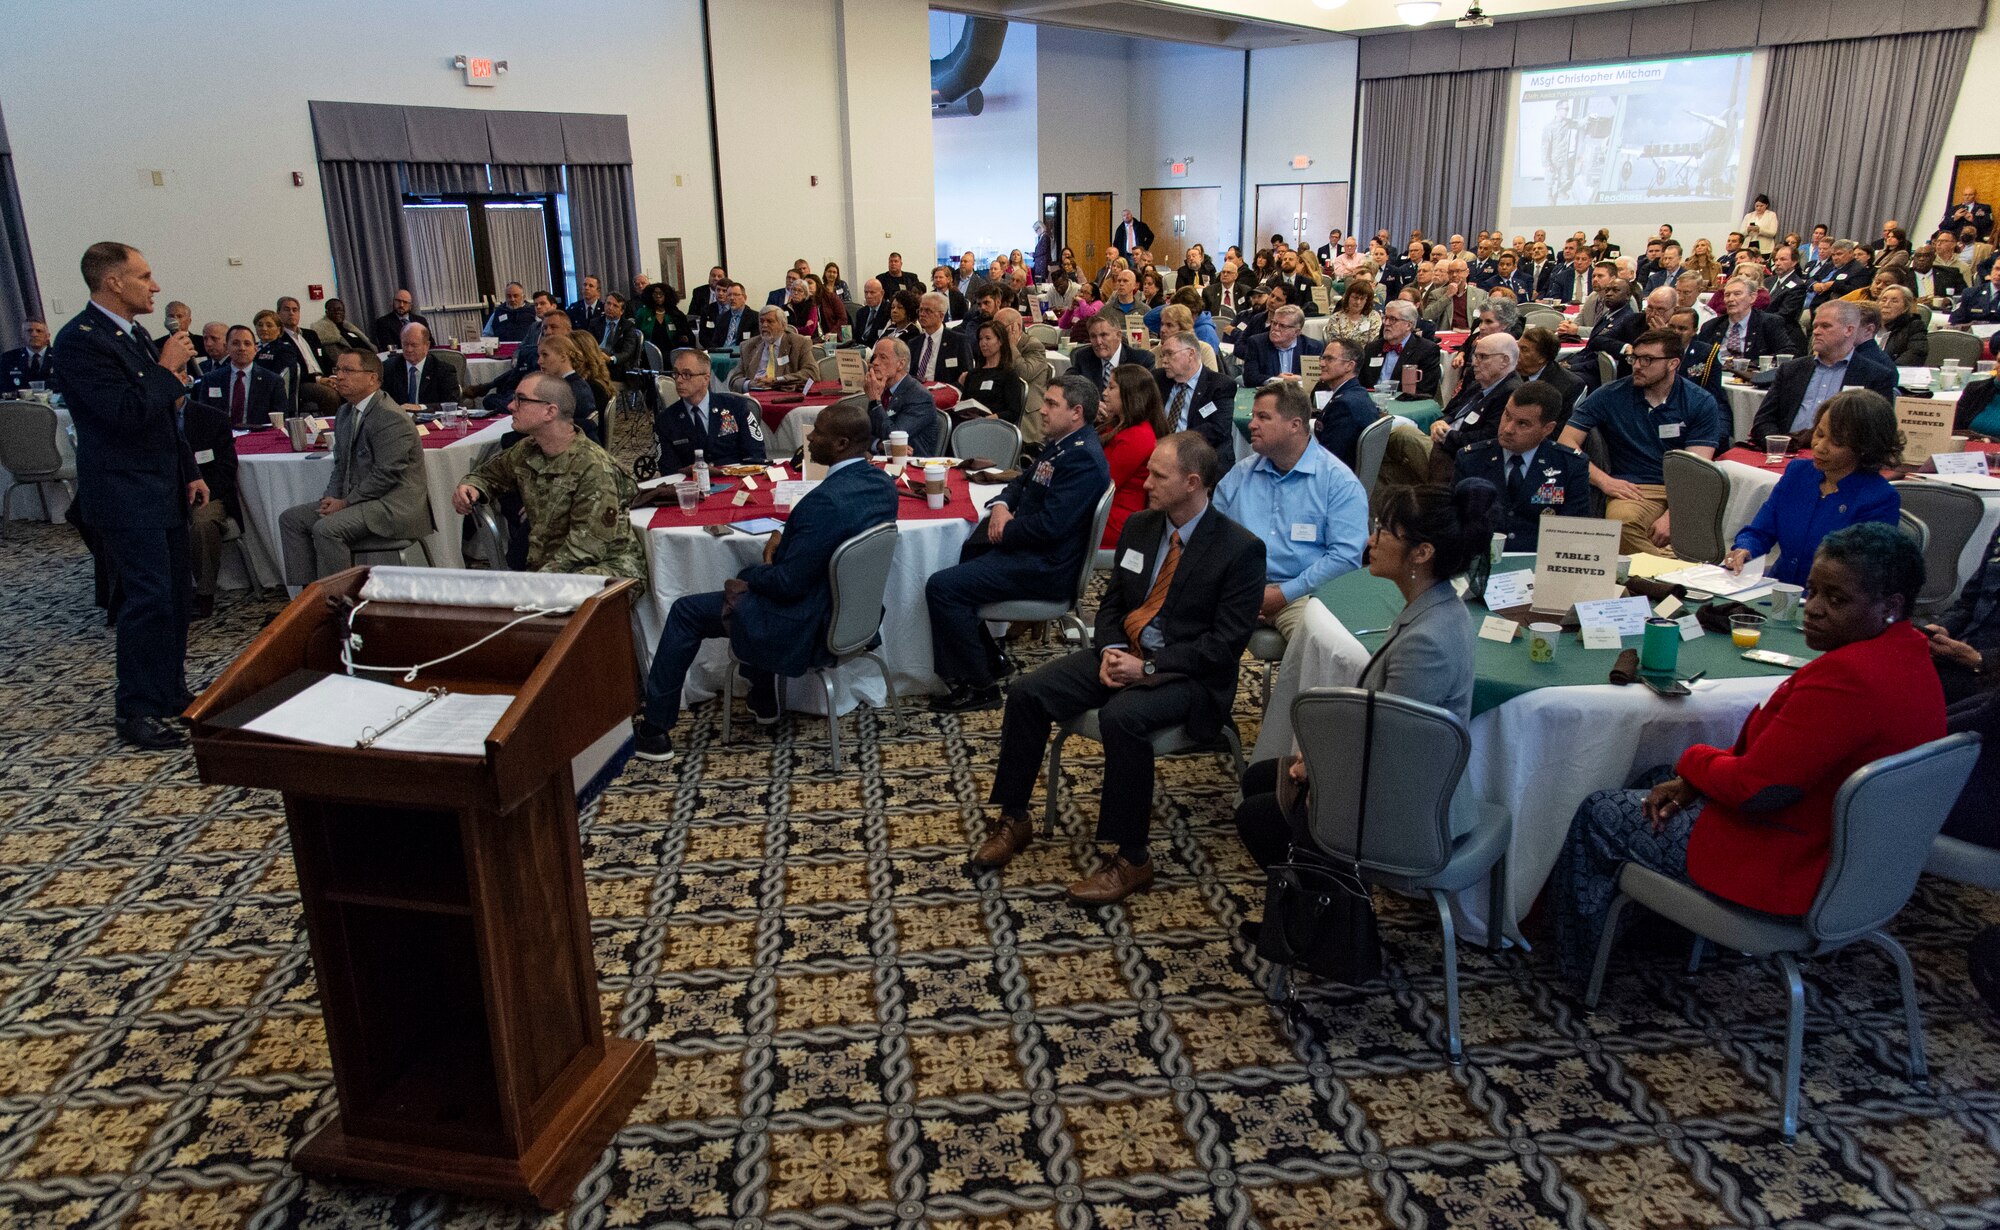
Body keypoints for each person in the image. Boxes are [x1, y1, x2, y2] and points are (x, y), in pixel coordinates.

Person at [1548, 523, 1944, 982]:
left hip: (1793, 869)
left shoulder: (1848, 680)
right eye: (1812, 592)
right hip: (1858, 864)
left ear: (1890, 607)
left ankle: (1572, 972)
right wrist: (1695, 778)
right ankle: (1668, 939)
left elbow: (1757, 791)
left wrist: (1692, 760)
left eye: (1836, 600)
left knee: (1601, 812)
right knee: (1655, 780)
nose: (1812, 609)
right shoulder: (1909, 655)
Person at [970, 431, 1263, 904]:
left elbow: (1223, 647)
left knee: (1122, 718)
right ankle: (1016, 817)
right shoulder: (1143, 528)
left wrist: (1147, 668)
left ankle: (1133, 859)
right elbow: (1111, 606)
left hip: (1189, 677)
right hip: (1123, 653)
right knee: (1026, 693)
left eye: (1157, 475)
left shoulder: (1239, 550)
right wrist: (1109, 652)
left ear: (1192, 483)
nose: (1145, 483)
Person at [1233, 481, 1496, 891]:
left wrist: (1319, 767)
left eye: (1385, 532)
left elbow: (1390, 748)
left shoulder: (1427, 641)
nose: (1370, 540)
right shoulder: (1437, 605)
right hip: (1398, 773)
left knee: (1257, 815)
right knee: (1261, 779)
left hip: (1410, 804)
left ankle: (1328, 924)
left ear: (1422, 553)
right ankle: (1311, 908)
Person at [634, 402, 896, 763]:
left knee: (691, 609)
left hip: (807, 625)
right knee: (750, 600)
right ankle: (763, 698)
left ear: (840, 443)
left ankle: (654, 731)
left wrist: (748, 574)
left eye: (818, 431)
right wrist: (786, 535)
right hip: (852, 617)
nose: (810, 437)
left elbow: (787, 584)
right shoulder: (881, 484)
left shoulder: (823, 501)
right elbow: (833, 538)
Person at [53, 243, 206, 747]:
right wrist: (164, 370)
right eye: (144, 276)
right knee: (147, 598)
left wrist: (188, 469)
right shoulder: (79, 341)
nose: (155, 286)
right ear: (113, 282)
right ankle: (135, 708)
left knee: (178, 596)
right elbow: (122, 414)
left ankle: (169, 690)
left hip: (162, 484)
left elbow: (165, 414)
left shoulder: (134, 333)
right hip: (123, 491)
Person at [926, 376, 1111, 712]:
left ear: (1077, 412)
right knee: (968, 553)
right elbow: (1019, 481)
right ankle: (991, 661)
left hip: (1048, 567)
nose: (1042, 410)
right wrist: (1000, 507)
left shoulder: (1081, 458)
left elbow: (1051, 527)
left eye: (1052, 404)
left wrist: (1004, 530)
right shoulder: (1063, 443)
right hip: (1035, 552)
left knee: (942, 586)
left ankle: (979, 687)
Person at [452, 371, 645, 579]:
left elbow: (586, 548)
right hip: (553, 567)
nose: (510, 405)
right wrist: (471, 487)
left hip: (604, 573)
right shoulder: (528, 450)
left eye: (521, 400)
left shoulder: (593, 467)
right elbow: (487, 474)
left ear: (550, 412)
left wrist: (533, 584)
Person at [1213, 383, 1368, 641]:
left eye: (1263, 417)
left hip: (1303, 594)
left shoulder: (1338, 482)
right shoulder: (1241, 474)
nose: (1251, 425)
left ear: (1295, 425)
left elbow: (1346, 557)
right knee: (1177, 621)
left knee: (1319, 645)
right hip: (1238, 591)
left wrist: (1283, 593)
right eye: (1253, 416)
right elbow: (1211, 536)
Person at [1560, 328, 1723, 553]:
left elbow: (1696, 469)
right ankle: (1672, 574)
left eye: (1647, 360)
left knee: (1696, 536)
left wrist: (1673, 515)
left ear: (1673, 363)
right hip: (1633, 488)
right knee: (1623, 524)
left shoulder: (1699, 401)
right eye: (1634, 357)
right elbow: (1566, 442)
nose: (1637, 366)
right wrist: (1604, 480)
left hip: (1682, 489)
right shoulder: (1611, 394)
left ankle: (1659, 572)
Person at [277, 348, 428, 585]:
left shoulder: (390, 416)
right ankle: (308, 598)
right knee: (291, 519)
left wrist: (345, 502)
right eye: (338, 369)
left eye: (348, 370)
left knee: (326, 529)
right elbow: (341, 464)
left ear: (372, 378)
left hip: (393, 505)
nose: (339, 376)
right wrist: (331, 497)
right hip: (360, 500)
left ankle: (340, 601)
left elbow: (386, 475)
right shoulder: (345, 412)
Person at [1725, 389, 1901, 586]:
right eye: (1819, 433)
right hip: (1777, 588)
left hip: (1831, 600)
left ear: (1865, 448)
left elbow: (1861, 573)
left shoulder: (1879, 498)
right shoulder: (1798, 473)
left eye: (1836, 442)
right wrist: (1745, 549)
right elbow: (1760, 531)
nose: (1819, 446)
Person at [1454, 382, 1590, 551]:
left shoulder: (1569, 465)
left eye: (1523, 424)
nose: (1508, 429)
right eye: (1507, 416)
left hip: (1538, 564)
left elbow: (1574, 533)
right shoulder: (1471, 460)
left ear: (1548, 429)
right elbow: (1455, 523)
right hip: (1481, 561)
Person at [1752, 302, 1900, 448]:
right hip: (1785, 449)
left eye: (1825, 326)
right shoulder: (1791, 370)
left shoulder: (1876, 376)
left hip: (1841, 457)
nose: (1816, 331)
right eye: (1815, 326)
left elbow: (1876, 432)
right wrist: (1780, 443)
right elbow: (1763, 420)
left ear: (1849, 330)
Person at [177, 372, 239, 619]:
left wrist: (197, 490)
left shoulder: (212, 418)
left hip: (208, 493)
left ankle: (204, 594)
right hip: (163, 493)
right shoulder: (148, 420)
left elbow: (226, 469)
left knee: (202, 523)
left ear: (183, 378)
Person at [653, 348, 767, 471]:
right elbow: (668, 470)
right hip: (691, 486)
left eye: (687, 375)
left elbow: (756, 456)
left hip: (735, 481)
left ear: (706, 379)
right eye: (675, 373)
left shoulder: (736, 407)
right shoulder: (666, 420)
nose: (679, 380)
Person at [1098, 364, 1166, 547]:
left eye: (1111, 387)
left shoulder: (1136, 437)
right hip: (1102, 511)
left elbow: (1101, 485)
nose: (1104, 393)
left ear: (1131, 393)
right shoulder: (1118, 425)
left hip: (1112, 522)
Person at [1431, 331, 1522, 463]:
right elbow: (1452, 410)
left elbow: (1488, 439)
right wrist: (1441, 422)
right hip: (1444, 439)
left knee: (1403, 435)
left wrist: (1448, 435)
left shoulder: (1510, 393)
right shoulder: (1479, 382)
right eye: (1475, 356)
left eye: (1482, 357)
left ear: (1504, 361)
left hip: (1461, 455)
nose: (1474, 363)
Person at [1151, 331, 1235, 463]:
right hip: (1159, 453)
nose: (1164, 361)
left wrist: (1174, 441)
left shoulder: (1220, 385)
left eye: (1169, 354)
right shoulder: (1157, 378)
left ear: (1190, 354)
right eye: (1162, 355)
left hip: (1200, 456)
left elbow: (1218, 429)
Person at [191, 324, 286, 430]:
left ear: (255, 349)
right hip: (220, 438)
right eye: (236, 343)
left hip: (257, 438)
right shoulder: (211, 379)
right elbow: (203, 416)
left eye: (247, 343)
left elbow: (279, 422)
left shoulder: (273, 381)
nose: (242, 348)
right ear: (227, 347)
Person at [1311, 338, 1379, 469]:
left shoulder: (1344, 406)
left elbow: (1329, 459)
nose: (1322, 364)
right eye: (1322, 358)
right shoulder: (1358, 393)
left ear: (1349, 366)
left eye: (1329, 359)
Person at [1362, 301, 1441, 399]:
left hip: (1405, 404)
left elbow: (1425, 392)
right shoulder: (1372, 348)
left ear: (1408, 325)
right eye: (1385, 318)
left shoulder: (1426, 350)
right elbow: (1362, 383)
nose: (1386, 323)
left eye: (1393, 319)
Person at [274, 296, 340, 414]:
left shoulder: (310, 334)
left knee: (353, 387)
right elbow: (291, 370)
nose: (291, 313)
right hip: (302, 383)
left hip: (325, 377)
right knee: (329, 395)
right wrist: (319, 380)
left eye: (295, 310)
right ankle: (333, 428)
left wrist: (334, 376)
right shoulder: (278, 339)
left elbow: (325, 359)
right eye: (287, 309)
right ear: (278, 313)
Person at [955, 320, 1025, 427]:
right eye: (980, 339)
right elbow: (964, 403)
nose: (983, 343)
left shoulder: (1008, 374)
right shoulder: (972, 374)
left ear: (1000, 341)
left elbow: (1013, 412)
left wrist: (987, 419)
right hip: (969, 425)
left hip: (995, 427)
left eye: (988, 338)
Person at [536, 334, 601, 444]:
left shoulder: (569, 391)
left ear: (563, 357)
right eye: (539, 355)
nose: (539, 361)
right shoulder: (575, 383)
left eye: (545, 355)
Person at [732, 306, 815, 393]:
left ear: (783, 325)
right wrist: (749, 384)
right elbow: (734, 380)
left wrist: (776, 380)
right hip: (754, 394)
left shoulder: (799, 343)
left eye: (770, 321)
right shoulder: (748, 346)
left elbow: (811, 372)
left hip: (783, 393)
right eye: (761, 321)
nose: (764, 325)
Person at [1238, 305, 1323, 387]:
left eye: (1282, 326)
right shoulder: (1257, 343)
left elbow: (1319, 378)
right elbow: (1249, 378)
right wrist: (1277, 380)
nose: (1275, 328)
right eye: (1274, 323)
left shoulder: (1313, 347)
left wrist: (1300, 379)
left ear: (1297, 332)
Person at [381, 323, 461, 410]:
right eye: (405, 344)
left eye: (414, 345)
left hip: (431, 421)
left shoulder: (443, 370)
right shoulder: (388, 367)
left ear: (426, 346)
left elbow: (452, 404)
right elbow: (381, 401)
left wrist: (420, 407)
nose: (409, 349)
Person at [1514, 326, 1583, 423]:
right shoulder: (1509, 373)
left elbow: (1557, 429)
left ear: (1542, 357)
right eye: (1517, 347)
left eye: (1524, 350)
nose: (1516, 353)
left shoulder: (1568, 386)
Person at [1073, 312, 1155, 388]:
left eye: (1103, 335)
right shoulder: (1083, 357)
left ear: (1118, 335)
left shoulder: (1141, 360)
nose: (1098, 342)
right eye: (1093, 336)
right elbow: (1067, 385)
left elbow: (1146, 397)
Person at [1876, 286, 1928, 366]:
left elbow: (1916, 354)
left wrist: (1888, 371)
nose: (1886, 305)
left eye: (1894, 301)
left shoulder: (1914, 326)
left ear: (1905, 307)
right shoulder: (1867, 325)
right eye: (1883, 300)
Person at [597, 293, 645, 379]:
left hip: (616, 367)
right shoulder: (595, 323)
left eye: (615, 306)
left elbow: (627, 353)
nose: (610, 308)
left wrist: (610, 359)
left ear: (621, 311)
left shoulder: (628, 326)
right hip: (596, 360)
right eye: (608, 303)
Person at [1325, 278, 1382, 348]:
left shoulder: (1374, 316)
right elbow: (1334, 345)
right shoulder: (1335, 318)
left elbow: (1374, 343)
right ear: (1348, 297)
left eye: (1362, 299)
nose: (1358, 302)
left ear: (1367, 300)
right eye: (1355, 297)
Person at [2, 318, 54, 392]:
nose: (34, 334)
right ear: (22, 335)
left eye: (39, 331)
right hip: (21, 402)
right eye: (29, 331)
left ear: (48, 336)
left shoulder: (60, 356)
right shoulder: (9, 358)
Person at [701, 283, 757, 350]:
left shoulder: (754, 317)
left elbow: (755, 344)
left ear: (744, 298)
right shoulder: (722, 317)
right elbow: (715, 342)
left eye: (736, 295)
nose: (732, 298)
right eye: (729, 295)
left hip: (740, 354)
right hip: (721, 353)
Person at [850, 279, 894, 348]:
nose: (868, 296)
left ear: (882, 293)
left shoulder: (889, 312)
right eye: (866, 292)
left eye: (872, 292)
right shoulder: (861, 312)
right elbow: (856, 338)